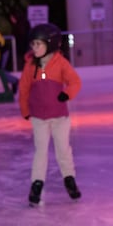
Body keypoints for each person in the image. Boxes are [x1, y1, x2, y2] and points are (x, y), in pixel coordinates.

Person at [18, 23, 83, 206]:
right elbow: (23, 89)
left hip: (60, 117)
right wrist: (25, 110)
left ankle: (69, 179)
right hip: (38, 118)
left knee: (63, 149)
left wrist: (67, 94)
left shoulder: (60, 63)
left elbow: (75, 82)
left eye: (39, 44)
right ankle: (37, 184)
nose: (34, 48)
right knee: (41, 151)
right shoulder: (30, 65)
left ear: (51, 43)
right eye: (33, 44)